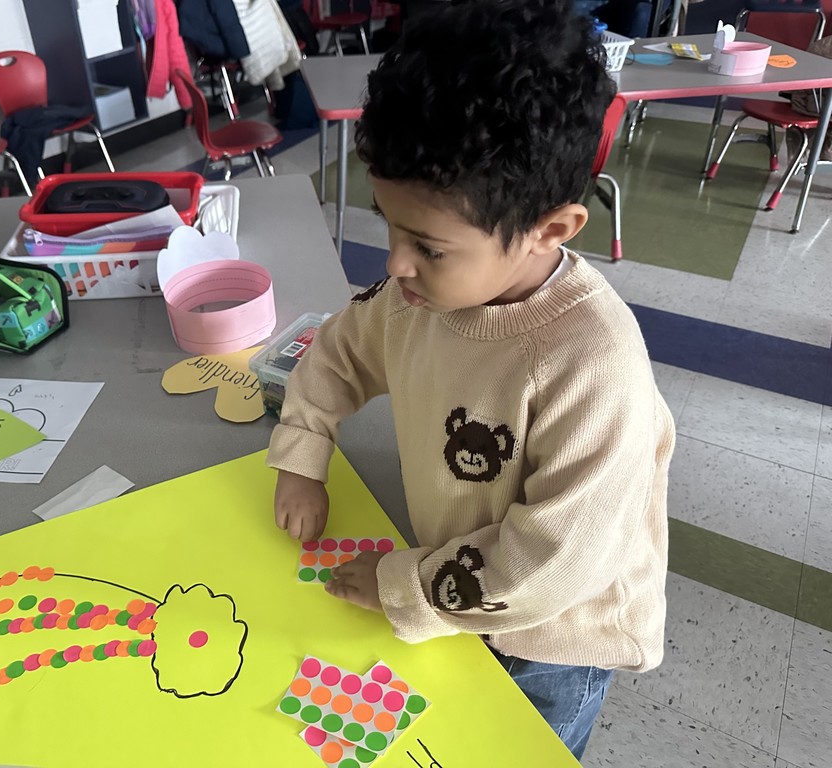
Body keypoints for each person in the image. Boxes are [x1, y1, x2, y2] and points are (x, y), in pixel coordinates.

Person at [265, 0, 675, 759]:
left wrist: (406, 588)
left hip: (553, 639)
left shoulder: (593, 364)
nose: (394, 264)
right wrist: (302, 455)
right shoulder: (413, 296)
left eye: (427, 245)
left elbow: (555, 562)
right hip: (454, 584)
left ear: (549, 231)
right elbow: (336, 356)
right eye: (389, 228)